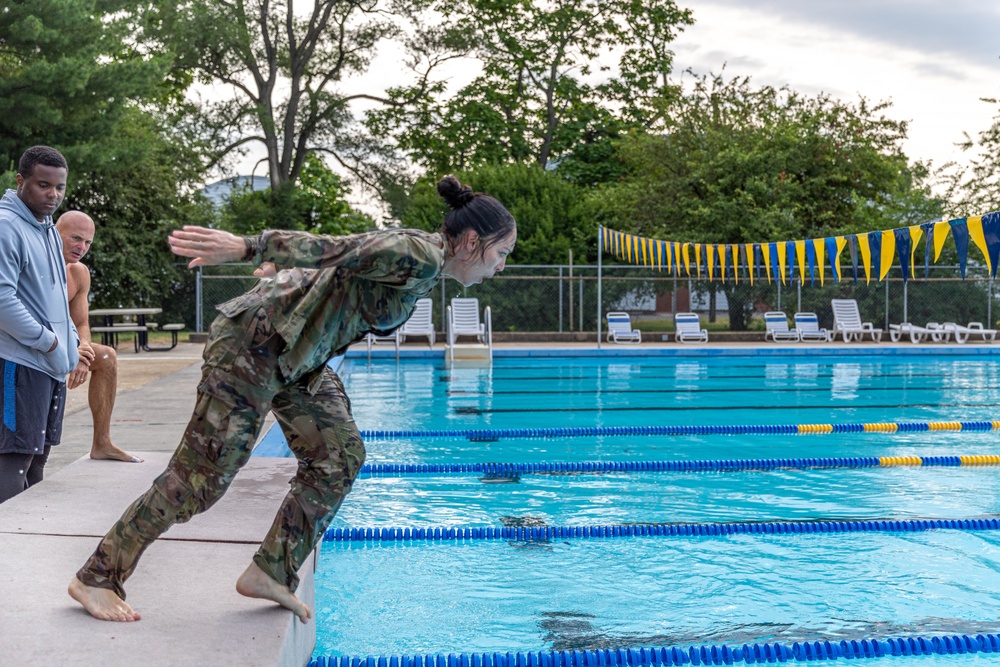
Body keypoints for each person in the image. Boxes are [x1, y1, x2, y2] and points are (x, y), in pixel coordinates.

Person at [68, 175, 516, 623]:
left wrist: (282, 275)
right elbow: (336, 248)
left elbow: (338, 274)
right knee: (199, 480)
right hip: (254, 345)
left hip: (297, 357)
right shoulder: (419, 254)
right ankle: (97, 577)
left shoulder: (427, 268)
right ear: (472, 241)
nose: (500, 268)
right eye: (500, 254)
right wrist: (249, 247)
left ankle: (271, 572)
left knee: (338, 457)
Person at [0, 146, 81, 504]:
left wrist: (71, 339)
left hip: (48, 367)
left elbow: (53, 297)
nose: (53, 195)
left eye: (60, 187)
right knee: (13, 464)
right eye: (43, 185)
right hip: (19, 364)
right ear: (21, 181)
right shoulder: (7, 227)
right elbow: (2, 301)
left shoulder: (46, 227)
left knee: (36, 465)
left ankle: (26, 554)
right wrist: (49, 341)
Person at [56, 211, 144, 464]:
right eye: (75, 238)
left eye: (87, 242)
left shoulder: (79, 273)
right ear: (55, 232)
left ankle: (102, 443)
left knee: (105, 356)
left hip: (60, 345)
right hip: (29, 345)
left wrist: (83, 350)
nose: (81, 247)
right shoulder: (33, 263)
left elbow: (81, 322)